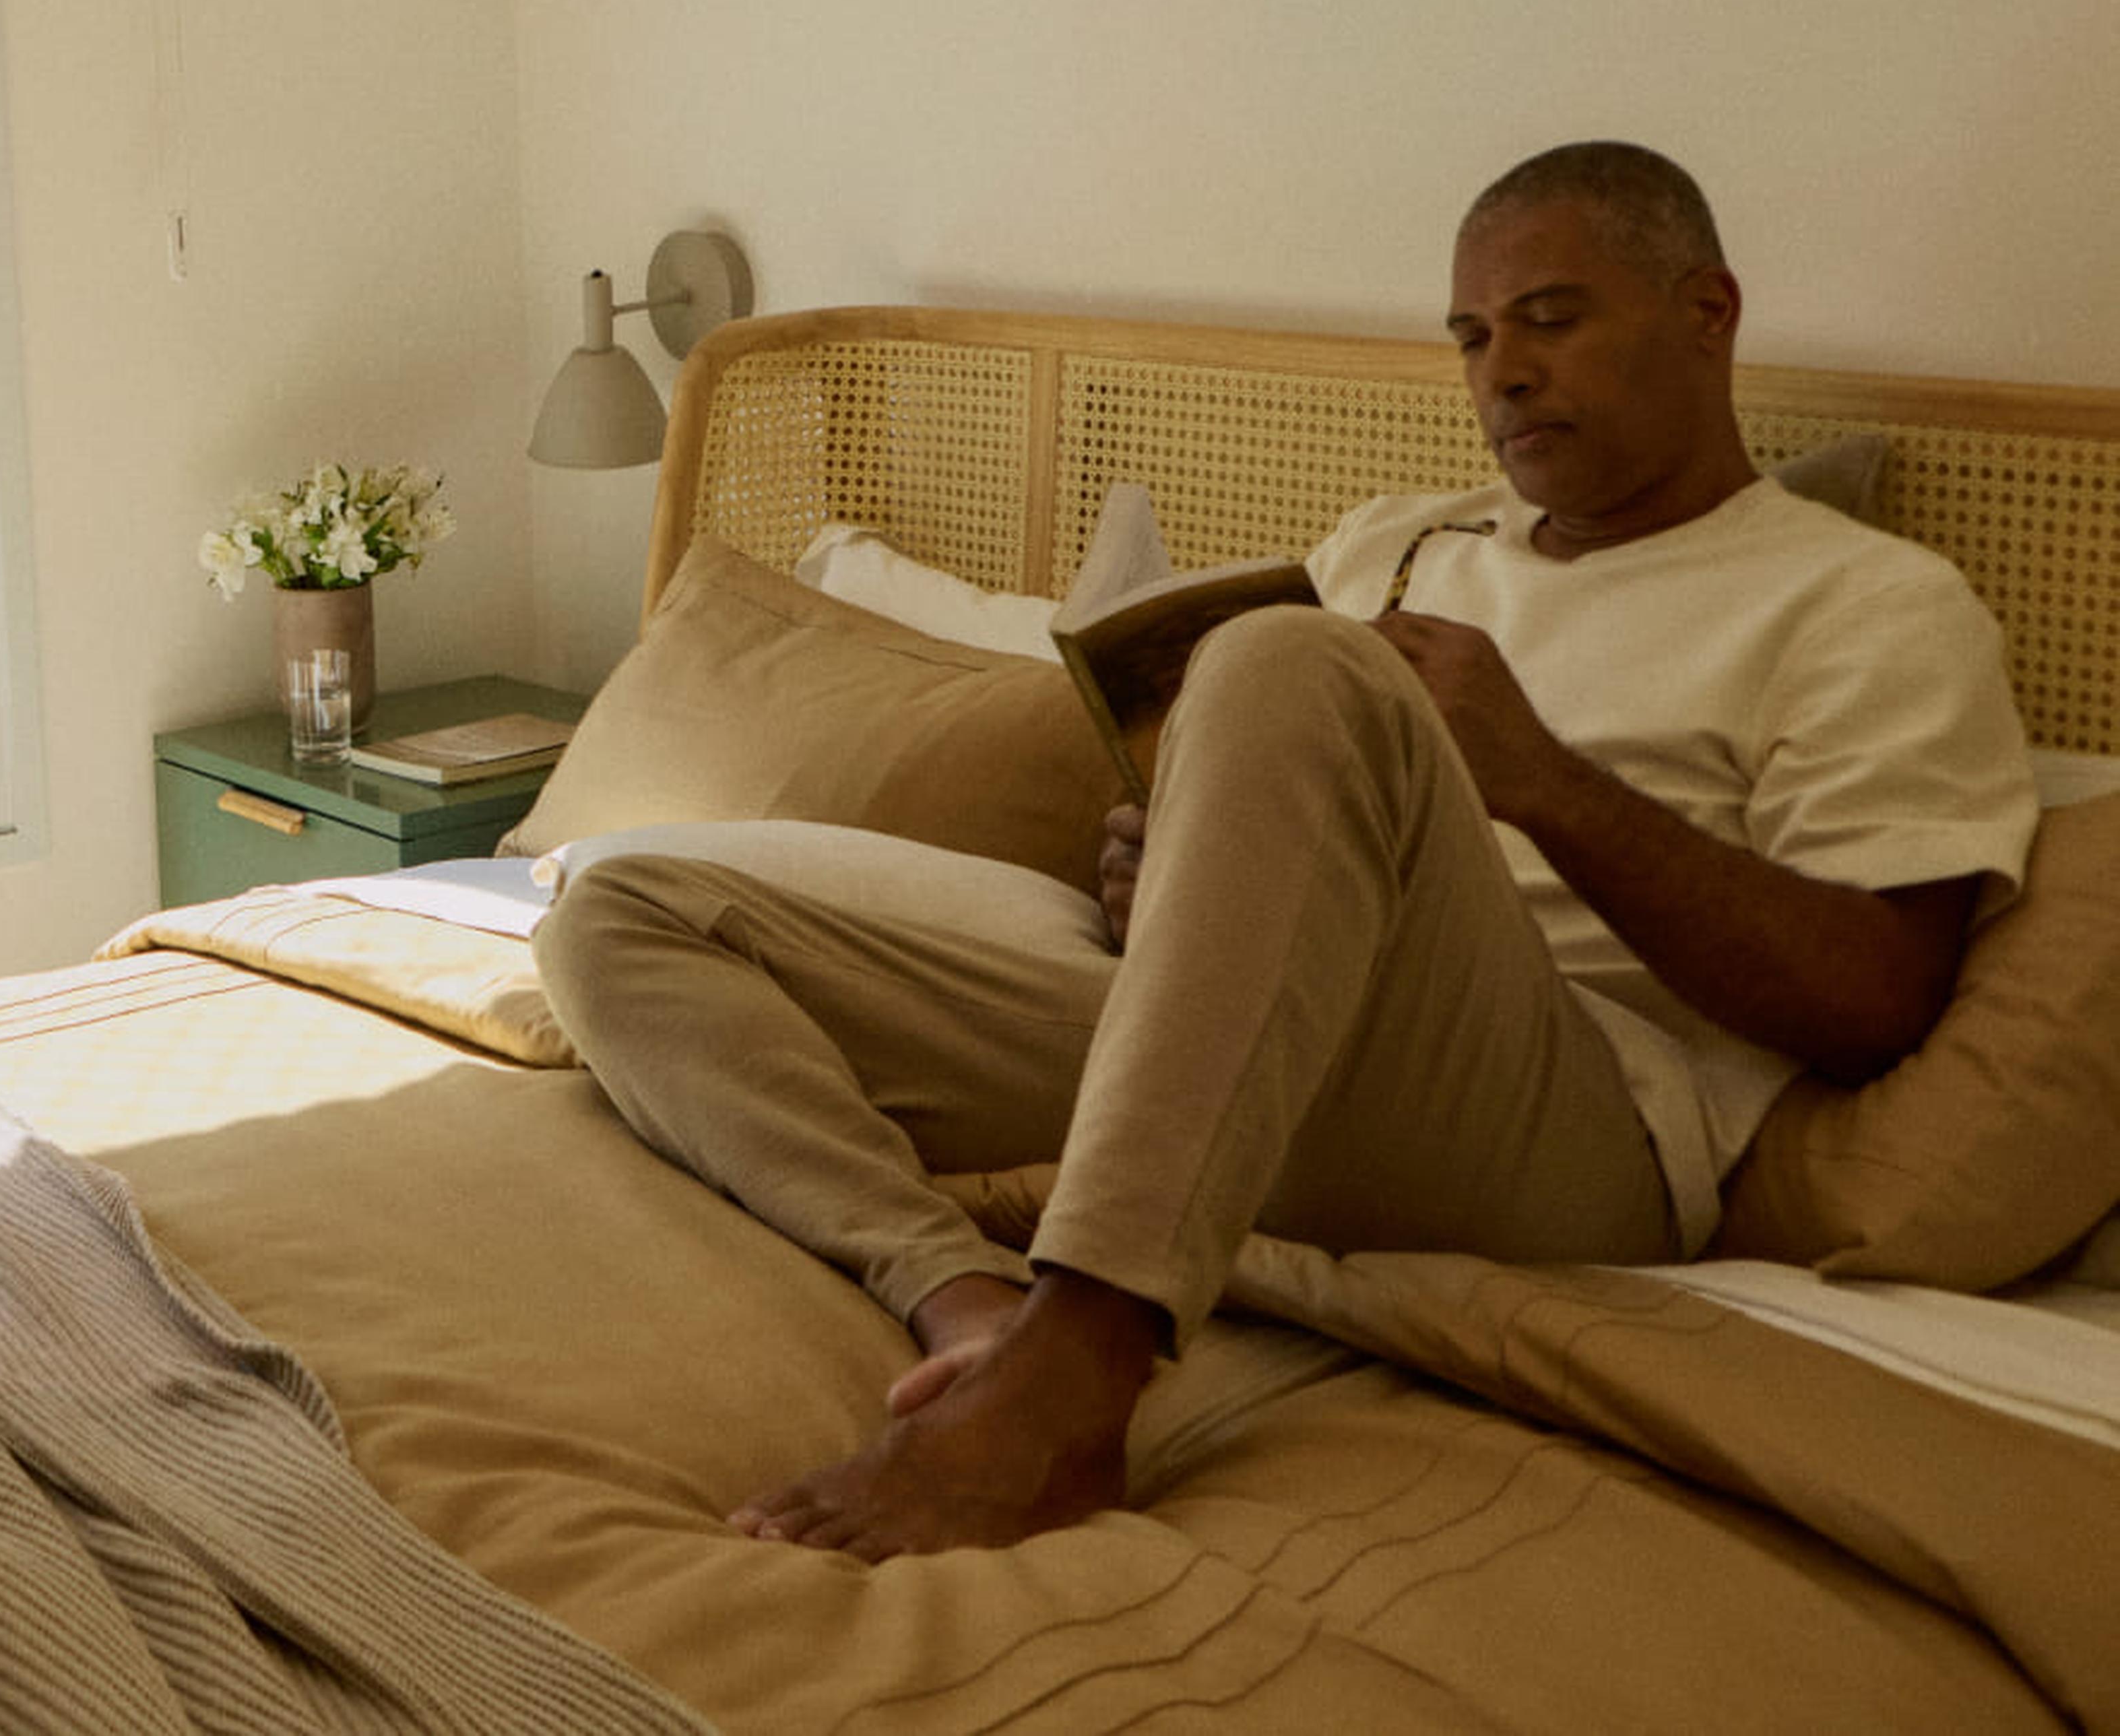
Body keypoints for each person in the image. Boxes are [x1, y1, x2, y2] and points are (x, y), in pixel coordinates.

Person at [532, 142, 2038, 1560]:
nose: (1502, 373)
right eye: (1471, 336)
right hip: (1251, 1054)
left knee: (1288, 659)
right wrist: (1172, 866)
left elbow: (1878, 999)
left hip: (1565, 1113)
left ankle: (1073, 1370)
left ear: (1708, 314)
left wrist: (1537, 779)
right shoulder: (1405, 539)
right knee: (623, 908)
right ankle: (964, 1297)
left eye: (1551, 319)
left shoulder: (1863, 602)